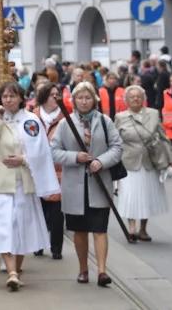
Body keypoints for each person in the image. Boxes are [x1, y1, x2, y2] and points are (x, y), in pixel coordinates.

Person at [0, 82, 57, 291]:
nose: (8, 100)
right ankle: (11, 272)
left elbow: (41, 152)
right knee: (4, 228)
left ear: (21, 98)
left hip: (23, 183)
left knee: (21, 228)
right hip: (0, 184)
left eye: (12, 96)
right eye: (5, 96)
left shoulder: (31, 121)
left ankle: (16, 270)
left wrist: (24, 159)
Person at [51, 81, 123, 287]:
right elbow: (54, 151)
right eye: (80, 98)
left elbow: (117, 147)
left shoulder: (105, 121)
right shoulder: (65, 123)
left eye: (88, 97)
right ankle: (83, 269)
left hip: (99, 184)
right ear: (74, 100)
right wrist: (75, 157)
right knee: (80, 230)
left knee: (100, 229)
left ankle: (102, 271)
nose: (84, 101)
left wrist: (101, 161)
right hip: (74, 185)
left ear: (94, 99)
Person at [114, 86, 171, 243]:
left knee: (146, 196)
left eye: (138, 96)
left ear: (143, 98)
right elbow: (115, 140)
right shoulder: (120, 117)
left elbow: (162, 135)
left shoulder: (153, 114)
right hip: (128, 161)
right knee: (130, 196)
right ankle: (131, 227)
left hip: (149, 161)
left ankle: (143, 229)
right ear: (126, 100)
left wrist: (170, 159)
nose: (135, 99)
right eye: (131, 97)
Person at [32, 83, 66, 259]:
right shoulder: (34, 115)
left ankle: (56, 248)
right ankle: (38, 244)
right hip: (37, 170)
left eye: (57, 95)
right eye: (52, 95)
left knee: (57, 212)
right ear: (44, 96)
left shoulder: (64, 117)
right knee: (39, 210)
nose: (55, 98)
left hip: (57, 170)